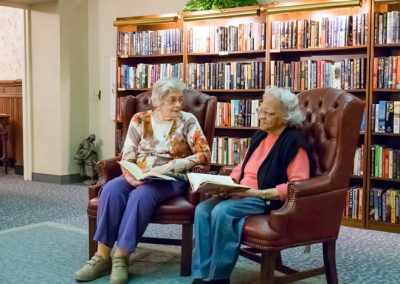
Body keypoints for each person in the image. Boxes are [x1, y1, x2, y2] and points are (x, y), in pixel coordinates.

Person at [74, 77, 211, 284]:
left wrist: (176, 165)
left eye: (180, 100)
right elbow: (127, 154)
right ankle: (102, 256)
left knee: (141, 196)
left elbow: (204, 154)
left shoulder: (188, 121)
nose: (178, 105)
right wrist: (131, 175)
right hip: (140, 173)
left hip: (170, 178)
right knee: (111, 189)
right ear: (158, 101)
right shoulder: (140, 119)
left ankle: (121, 256)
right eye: (172, 100)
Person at [191, 87, 314, 284]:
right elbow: (242, 166)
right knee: (202, 209)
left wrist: (258, 193)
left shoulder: (294, 142)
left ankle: (218, 277)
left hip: (264, 198)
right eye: (261, 111)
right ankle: (202, 272)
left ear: (285, 116)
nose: (261, 117)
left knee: (222, 212)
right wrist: (228, 184)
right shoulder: (260, 135)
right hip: (241, 192)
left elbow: (298, 184)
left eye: (268, 113)